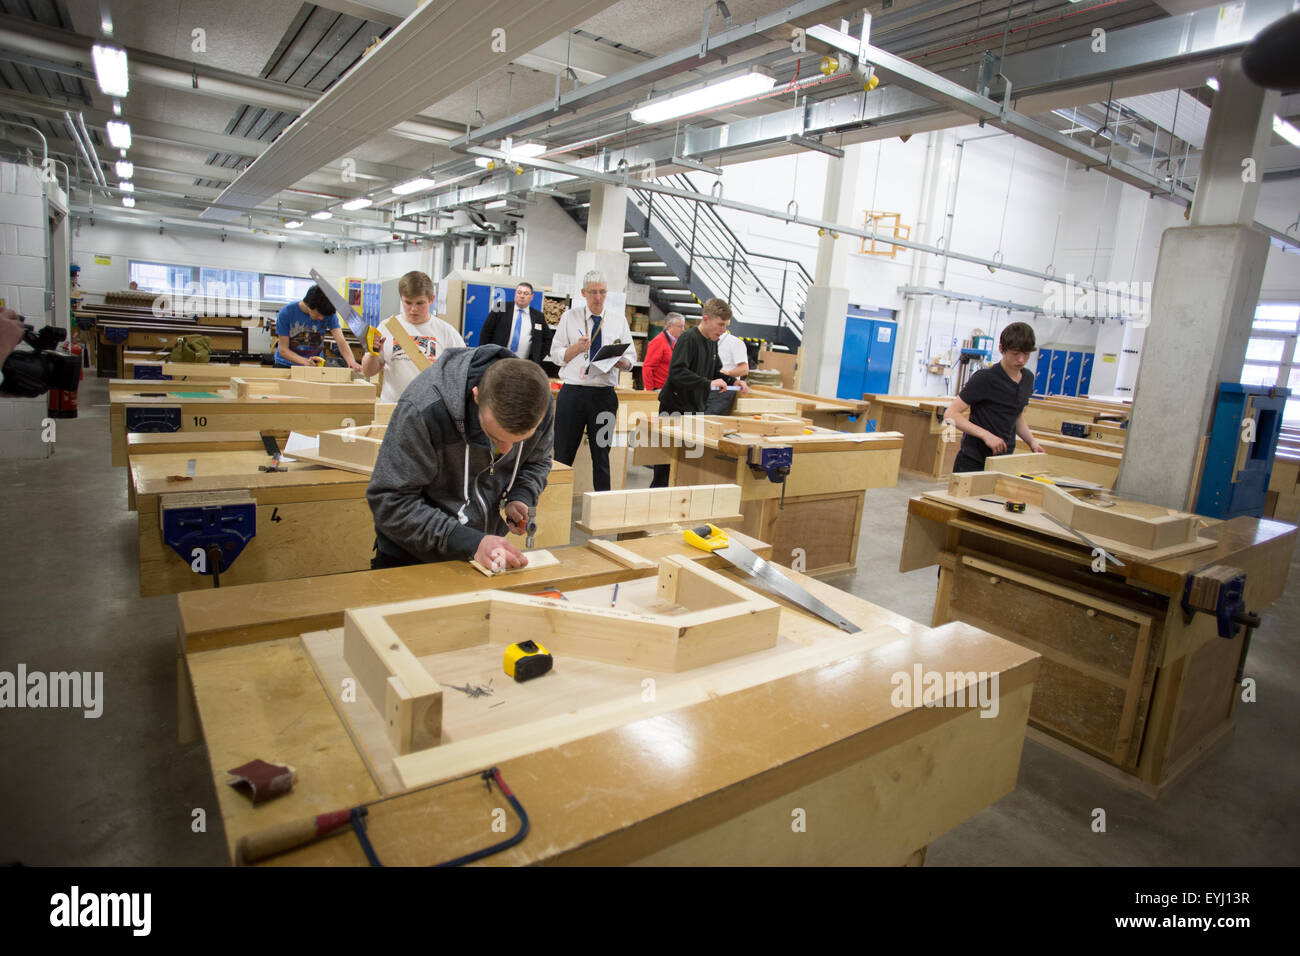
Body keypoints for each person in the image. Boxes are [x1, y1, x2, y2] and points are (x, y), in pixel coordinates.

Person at [367, 345, 554, 571]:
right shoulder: (424, 407)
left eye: (519, 442)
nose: (506, 451)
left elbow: (537, 460)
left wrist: (520, 495)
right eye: (494, 437)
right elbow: (391, 502)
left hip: (478, 558)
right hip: (412, 559)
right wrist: (469, 541)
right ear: (476, 396)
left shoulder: (537, 403)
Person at [549, 271, 637, 492]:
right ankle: (558, 506)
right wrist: (576, 348)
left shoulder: (618, 320)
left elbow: (631, 359)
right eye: (593, 292)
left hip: (604, 396)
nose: (598, 297)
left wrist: (622, 362)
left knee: (602, 455)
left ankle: (601, 509)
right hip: (573, 394)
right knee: (563, 454)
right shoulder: (570, 317)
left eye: (602, 292)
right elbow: (556, 354)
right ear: (583, 293)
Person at [651, 298, 750, 487]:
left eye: (726, 326)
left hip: (695, 409)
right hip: (674, 408)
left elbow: (715, 371)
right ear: (706, 319)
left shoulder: (712, 342)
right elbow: (678, 372)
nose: (723, 330)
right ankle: (656, 501)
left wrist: (734, 381)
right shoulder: (688, 339)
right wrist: (708, 383)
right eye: (720, 324)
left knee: (688, 464)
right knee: (664, 465)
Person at [943, 321, 1045, 473]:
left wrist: (1032, 442)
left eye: (1026, 354)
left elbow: (1016, 416)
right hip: (973, 461)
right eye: (1016, 354)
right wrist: (985, 435)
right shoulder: (985, 378)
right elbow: (950, 414)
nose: (1021, 360)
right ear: (1001, 349)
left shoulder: (1028, 378)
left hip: (1003, 462)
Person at [361, 270, 465, 403]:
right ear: (401, 299)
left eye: (420, 303)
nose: (413, 309)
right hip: (392, 409)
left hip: (429, 411)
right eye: (408, 303)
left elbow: (460, 375)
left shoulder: (447, 333)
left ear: (431, 299)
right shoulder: (387, 327)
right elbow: (368, 372)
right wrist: (373, 353)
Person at [274, 285, 362, 371]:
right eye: (319, 314)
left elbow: (341, 341)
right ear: (309, 305)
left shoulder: (328, 314)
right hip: (286, 365)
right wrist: (305, 362)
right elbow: (283, 350)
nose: (322, 318)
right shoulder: (287, 313)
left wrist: (351, 361)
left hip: (315, 365)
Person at [479, 281, 554, 368]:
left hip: (524, 364)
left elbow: (548, 339)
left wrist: (537, 358)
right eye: (519, 292)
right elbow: (486, 333)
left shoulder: (538, 316)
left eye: (526, 293)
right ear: (515, 294)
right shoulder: (501, 308)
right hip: (498, 362)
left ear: (532, 297)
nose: (522, 296)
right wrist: (485, 356)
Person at [641, 312, 684, 391]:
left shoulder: (676, 342)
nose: (683, 330)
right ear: (669, 327)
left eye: (683, 326)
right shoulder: (659, 341)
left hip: (670, 389)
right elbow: (648, 367)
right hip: (658, 390)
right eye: (680, 326)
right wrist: (650, 391)